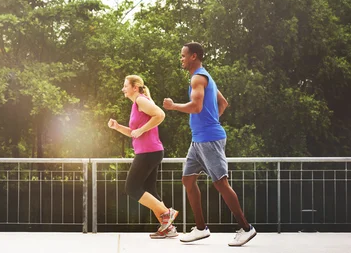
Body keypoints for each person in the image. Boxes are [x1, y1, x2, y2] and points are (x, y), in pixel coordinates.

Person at [163, 42, 257, 246]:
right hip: (198, 140)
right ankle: (200, 228)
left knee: (220, 183)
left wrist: (173, 106)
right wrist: (211, 120)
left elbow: (196, 107)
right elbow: (223, 103)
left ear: (194, 56)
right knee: (188, 180)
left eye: (183, 55)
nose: (181, 59)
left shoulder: (198, 78)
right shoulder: (206, 77)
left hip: (209, 139)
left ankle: (246, 228)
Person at [108, 75, 179, 239]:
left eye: (125, 85)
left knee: (131, 188)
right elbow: (135, 133)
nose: (123, 89)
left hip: (149, 152)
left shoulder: (141, 100)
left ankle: (167, 213)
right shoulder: (137, 104)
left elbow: (160, 115)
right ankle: (168, 228)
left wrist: (141, 130)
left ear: (135, 87)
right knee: (150, 190)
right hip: (149, 151)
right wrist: (117, 127)